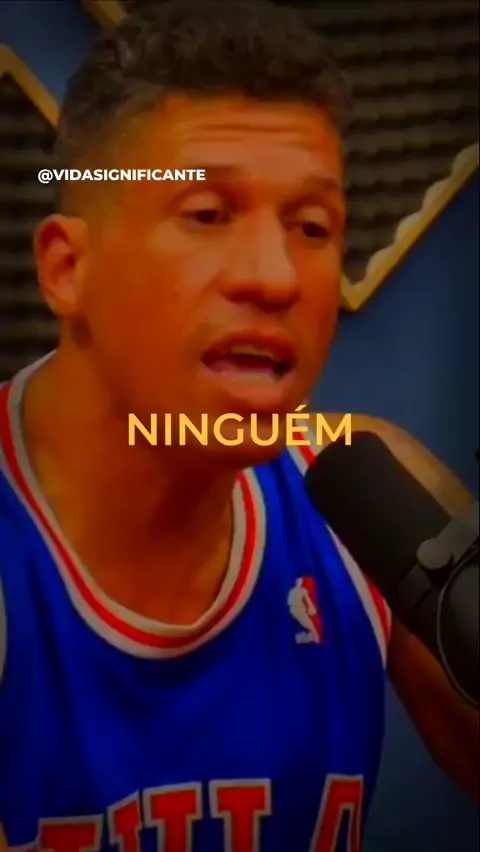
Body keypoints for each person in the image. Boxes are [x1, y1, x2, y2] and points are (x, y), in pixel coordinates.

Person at [0, 1, 477, 848]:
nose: (275, 277)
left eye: (312, 227)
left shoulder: (373, 499)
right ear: (69, 268)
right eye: (208, 215)